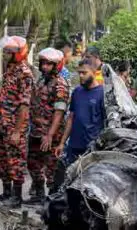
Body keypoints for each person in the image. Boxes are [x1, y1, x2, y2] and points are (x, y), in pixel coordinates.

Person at [0, 36, 33, 208]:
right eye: (6, 51)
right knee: (2, 159)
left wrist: (17, 131)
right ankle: (6, 192)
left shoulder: (25, 74)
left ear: (19, 53)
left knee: (15, 161)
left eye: (10, 52)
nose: (6, 54)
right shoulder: (11, 69)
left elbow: (24, 106)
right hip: (4, 124)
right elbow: (6, 94)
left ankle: (16, 196)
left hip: (15, 126)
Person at [26, 47, 70, 203]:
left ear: (56, 65)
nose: (45, 66)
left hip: (51, 134)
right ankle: (39, 193)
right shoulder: (41, 80)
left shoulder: (60, 84)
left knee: (51, 167)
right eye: (43, 63)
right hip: (36, 131)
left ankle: (53, 198)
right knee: (32, 162)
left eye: (49, 64)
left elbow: (59, 112)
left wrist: (50, 135)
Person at [54, 59, 105, 188]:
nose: (81, 76)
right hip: (74, 145)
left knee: (88, 183)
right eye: (79, 73)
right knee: (69, 179)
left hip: (92, 147)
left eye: (84, 73)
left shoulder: (102, 93)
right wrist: (62, 143)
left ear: (94, 72)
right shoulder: (77, 92)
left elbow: (106, 121)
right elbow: (71, 117)